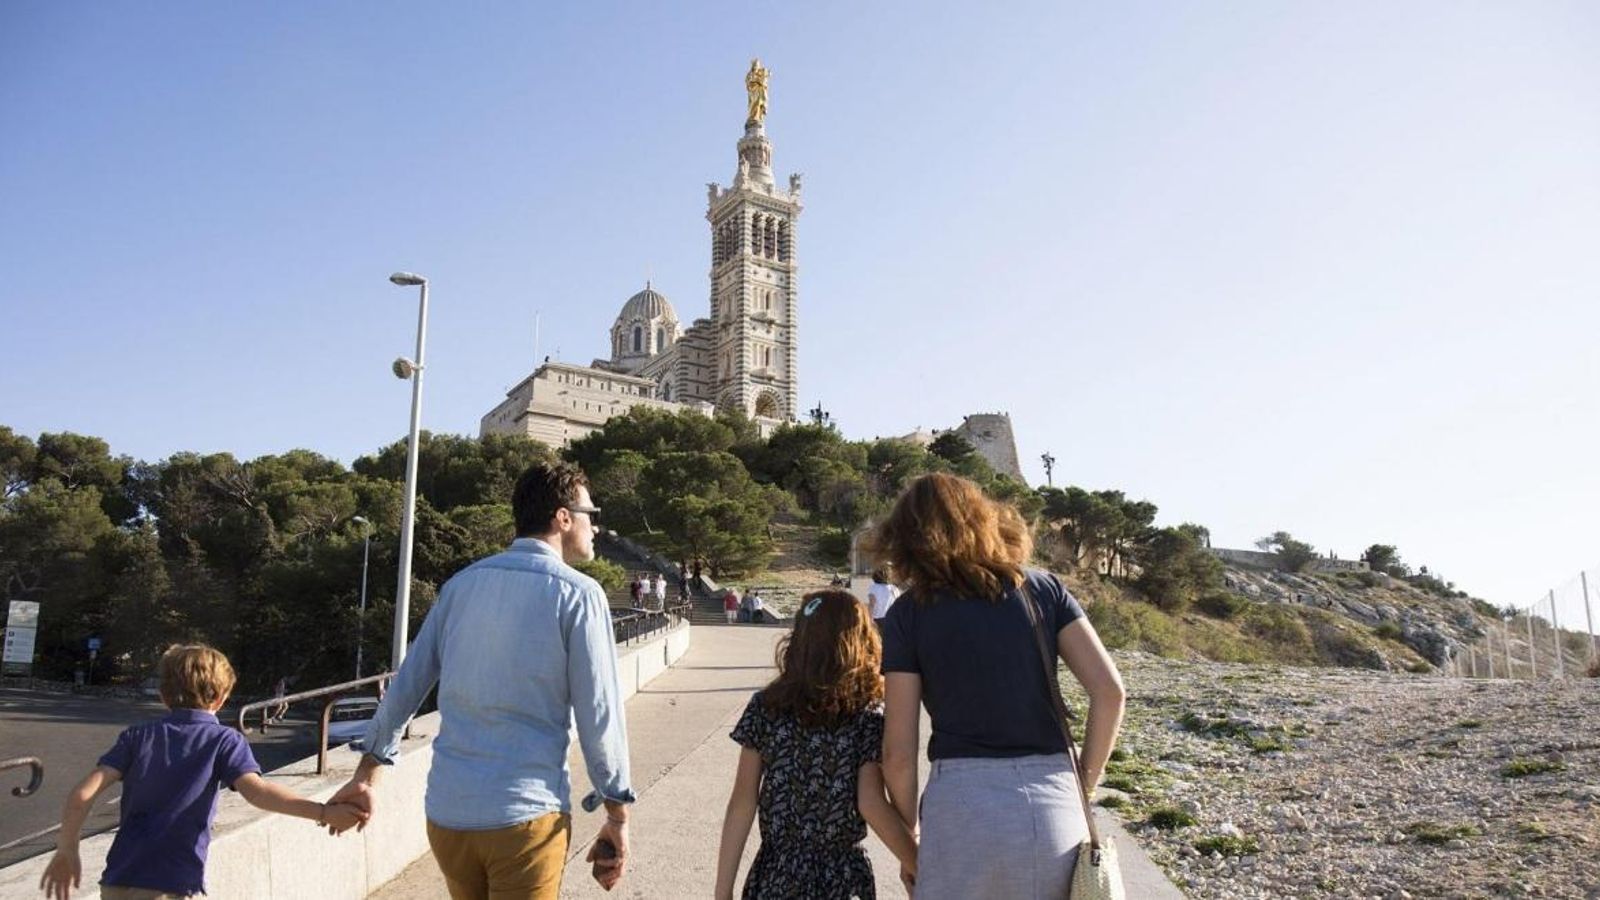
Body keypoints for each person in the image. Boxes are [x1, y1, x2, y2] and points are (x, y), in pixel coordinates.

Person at [334, 462, 636, 900]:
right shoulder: (579, 594)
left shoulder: (460, 586)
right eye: (591, 512)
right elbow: (599, 715)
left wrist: (367, 775)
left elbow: (406, 688)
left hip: (447, 817)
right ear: (563, 517)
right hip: (525, 819)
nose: (596, 525)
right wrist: (617, 815)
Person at [866, 473, 1126, 899]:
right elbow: (1110, 692)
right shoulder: (1041, 589)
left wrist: (910, 840)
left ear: (908, 539)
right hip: (1054, 802)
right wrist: (1085, 783)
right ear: (985, 519)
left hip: (960, 809)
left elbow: (897, 754)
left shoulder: (908, 614)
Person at [40, 644, 365, 900]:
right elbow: (259, 793)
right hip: (172, 882)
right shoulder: (224, 740)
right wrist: (323, 812)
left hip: (118, 881)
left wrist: (67, 849)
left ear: (163, 695)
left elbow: (83, 794)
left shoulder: (137, 737)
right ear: (222, 698)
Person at [714, 591, 916, 900]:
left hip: (774, 876)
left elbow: (742, 803)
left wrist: (722, 890)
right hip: (841, 878)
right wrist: (918, 862)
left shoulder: (766, 707)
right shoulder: (865, 714)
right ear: (858, 643)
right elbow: (871, 802)